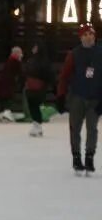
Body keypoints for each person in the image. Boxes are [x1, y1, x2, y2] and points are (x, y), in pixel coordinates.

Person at [56, 23, 102, 175]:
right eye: (86, 35)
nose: (89, 37)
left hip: (95, 98)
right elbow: (64, 76)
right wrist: (61, 96)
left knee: (92, 128)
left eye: (91, 34)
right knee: (75, 128)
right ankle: (76, 157)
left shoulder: (100, 53)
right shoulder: (74, 54)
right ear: (81, 37)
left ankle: (89, 157)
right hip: (77, 97)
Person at [23, 43, 53, 138]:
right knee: (34, 106)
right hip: (36, 86)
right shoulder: (35, 60)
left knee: (34, 106)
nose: (33, 48)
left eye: (35, 47)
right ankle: (36, 125)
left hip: (36, 86)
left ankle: (37, 126)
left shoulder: (36, 61)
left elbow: (47, 74)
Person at [0, 46, 24, 123]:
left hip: (2, 83)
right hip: (8, 84)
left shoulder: (9, 60)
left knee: (3, 100)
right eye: (20, 53)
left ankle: (2, 115)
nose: (21, 54)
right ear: (17, 53)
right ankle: (6, 115)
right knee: (8, 99)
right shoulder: (15, 61)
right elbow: (21, 73)